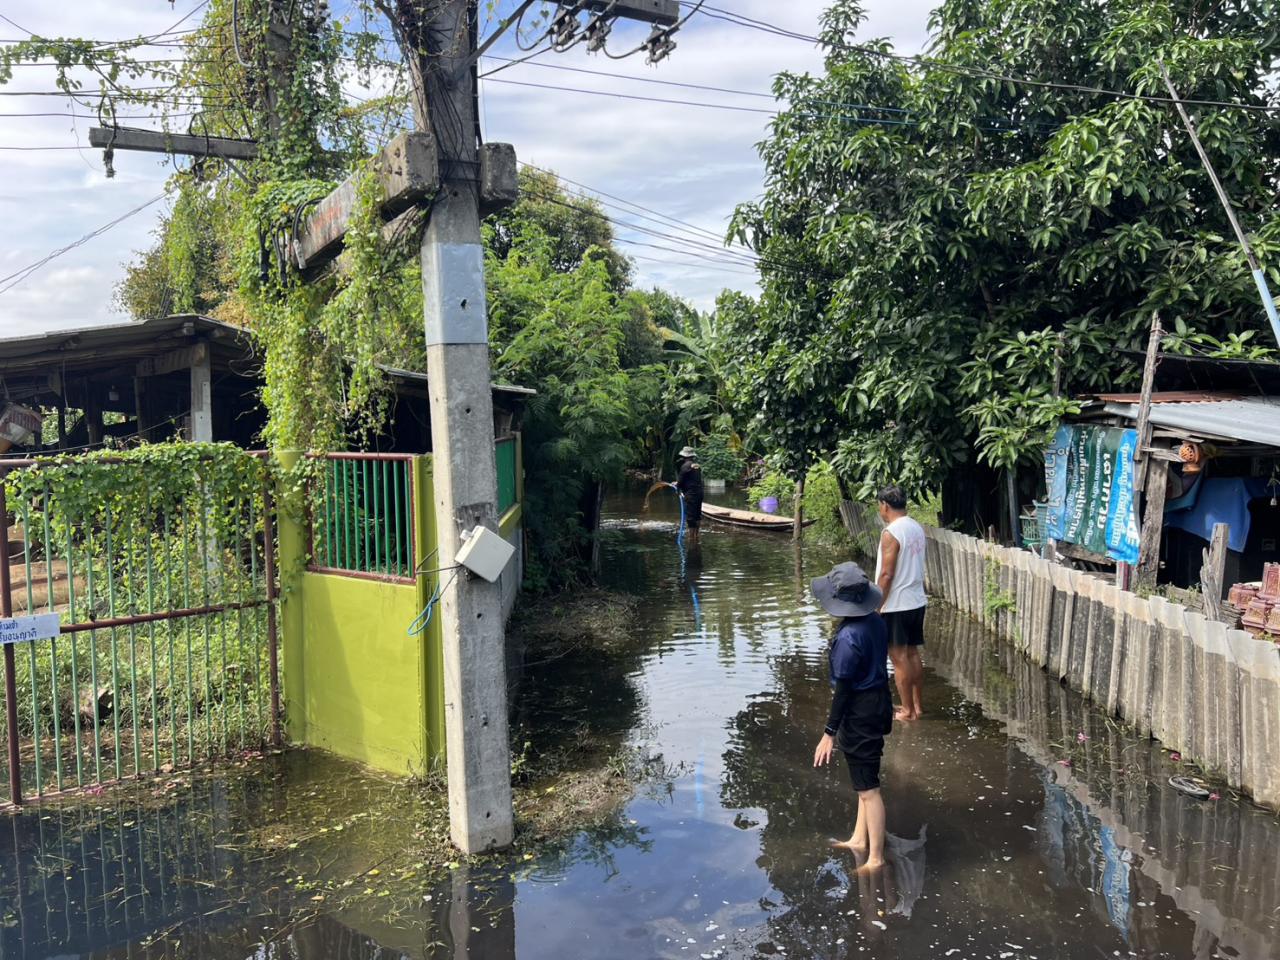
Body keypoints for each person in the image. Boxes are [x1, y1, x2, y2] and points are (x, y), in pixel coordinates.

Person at [811, 561, 893, 872]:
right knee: (862, 779)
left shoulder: (847, 639)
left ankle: (876, 858)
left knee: (869, 790)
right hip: (878, 701)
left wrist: (829, 732)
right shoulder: (875, 621)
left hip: (860, 711)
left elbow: (843, 691)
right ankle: (859, 839)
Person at [874, 485, 928, 721]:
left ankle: (907, 711)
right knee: (912, 653)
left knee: (898, 657)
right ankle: (916, 706)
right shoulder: (915, 527)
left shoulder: (891, 532)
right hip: (916, 600)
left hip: (896, 604)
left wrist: (877, 605)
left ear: (885, 505)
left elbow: (886, 574)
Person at [674, 445, 704, 544]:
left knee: (690, 516)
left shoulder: (685, 466)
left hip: (691, 494)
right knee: (697, 514)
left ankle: (691, 538)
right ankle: (697, 535)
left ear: (684, 456)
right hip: (699, 493)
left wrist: (677, 487)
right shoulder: (697, 466)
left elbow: (681, 481)